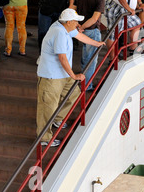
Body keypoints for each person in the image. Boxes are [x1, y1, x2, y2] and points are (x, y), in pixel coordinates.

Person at [36, 9, 105, 147]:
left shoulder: (65, 27)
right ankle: (45, 138)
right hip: (51, 77)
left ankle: (58, 119)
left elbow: (80, 36)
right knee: (48, 107)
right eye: (75, 21)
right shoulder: (59, 32)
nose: (77, 24)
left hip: (63, 74)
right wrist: (74, 75)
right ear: (68, 22)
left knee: (74, 95)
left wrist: (96, 44)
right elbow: (62, 57)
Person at [74, 0, 109, 91]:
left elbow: (73, 9)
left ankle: (84, 80)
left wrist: (77, 25)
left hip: (80, 31)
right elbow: (94, 19)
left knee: (85, 57)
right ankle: (87, 85)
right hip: (91, 31)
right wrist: (83, 27)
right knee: (91, 60)